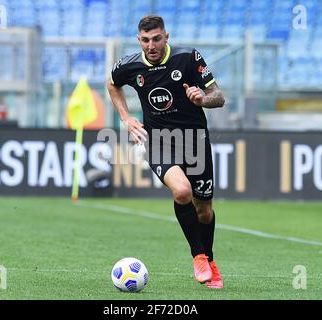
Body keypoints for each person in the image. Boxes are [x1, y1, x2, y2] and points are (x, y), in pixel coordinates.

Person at [107, 15, 227, 289]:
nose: (152, 45)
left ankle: (210, 260)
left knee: (204, 209)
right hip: (158, 140)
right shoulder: (130, 65)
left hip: (195, 140)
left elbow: (218, 96)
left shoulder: (188, 58)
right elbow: (112, 83)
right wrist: (126, 117)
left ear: (166, 37)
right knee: (182, 191)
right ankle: (198, 256)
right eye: (146, 40)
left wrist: (202, 99)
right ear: (139, 40)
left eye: (157, 39)